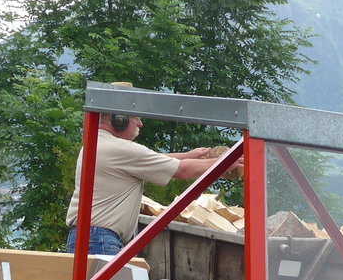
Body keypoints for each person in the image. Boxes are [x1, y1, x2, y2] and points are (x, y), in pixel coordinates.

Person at [64, 107, 231, 256]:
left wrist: (189, 156)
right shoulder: (119, 148)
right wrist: (227, 162)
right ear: (119, 119)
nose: (140, 124)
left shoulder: (98, 144)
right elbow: (182, 170)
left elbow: (153, 160)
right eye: (136, 118)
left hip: (91, 239)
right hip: (100, 240)